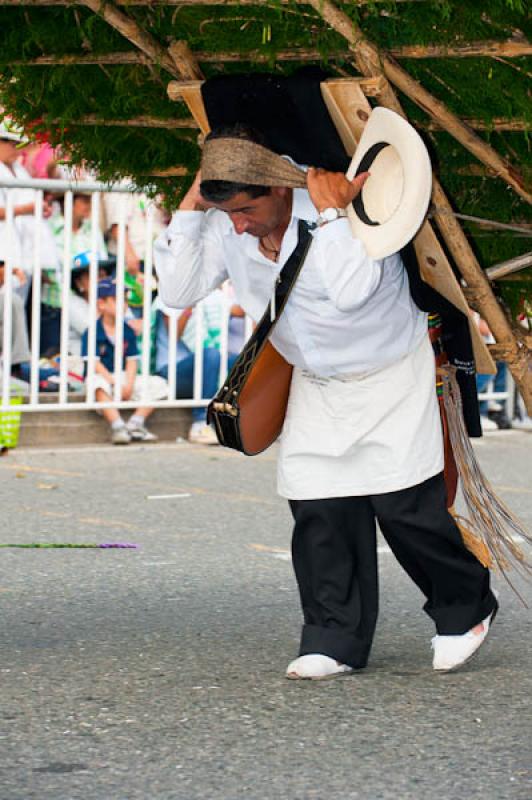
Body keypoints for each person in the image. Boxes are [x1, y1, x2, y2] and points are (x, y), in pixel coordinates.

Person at [154, 125, 498, 680]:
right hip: (316, 382)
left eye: (245, 209)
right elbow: (175, 290)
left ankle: (466, 606)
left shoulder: (356, 208)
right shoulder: (227, 223)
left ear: (280, 189)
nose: (238, 225)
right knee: (318, 508)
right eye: (228, 213)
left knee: (405, 508)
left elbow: (353, 291)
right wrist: (195, 203)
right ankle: (334, 636)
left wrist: (335, 215)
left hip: (390, 371)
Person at [81, 278, 167, 445]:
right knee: (96, 386)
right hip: (104, 377)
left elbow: (132, 361)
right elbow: (94, 363)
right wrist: (114, 383)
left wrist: (129, 383)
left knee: (159, 384)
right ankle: (118, 426)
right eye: (116, 300)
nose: (124, 304)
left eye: (125, 300)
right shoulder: (92, 331)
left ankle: (135, 423)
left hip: (123, 377)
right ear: (101, 304)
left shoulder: (127, 330)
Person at [154, 289, 240, 444]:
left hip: (203, 370)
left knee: (238, 361)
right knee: (211, 355)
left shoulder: (213, 295)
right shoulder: (170, 294)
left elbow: (239, 310)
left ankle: (235, 421)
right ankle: (200, 423)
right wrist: (190, 306)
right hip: (171, 372)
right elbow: (174, 333)